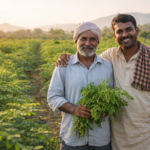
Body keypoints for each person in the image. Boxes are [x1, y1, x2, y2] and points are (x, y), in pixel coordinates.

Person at [56, 14, 150, 150]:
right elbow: (87, 59)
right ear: (114, 36)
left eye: (129, 29)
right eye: (119, 31)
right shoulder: (110, 56)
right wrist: (66, 57)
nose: (125, 34)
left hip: (145, 134)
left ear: (137, 31)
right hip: (118, 136)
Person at [47, 22, 113, 150]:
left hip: (101, 138)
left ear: (98, 42)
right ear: (76, 40)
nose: (87, 43)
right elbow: (53, 96)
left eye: (92, 39)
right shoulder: (64, 65)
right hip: (72, 139)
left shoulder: (108, 66)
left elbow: (114, 93)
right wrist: (74, 109)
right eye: (83, 38)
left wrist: (107, 108)